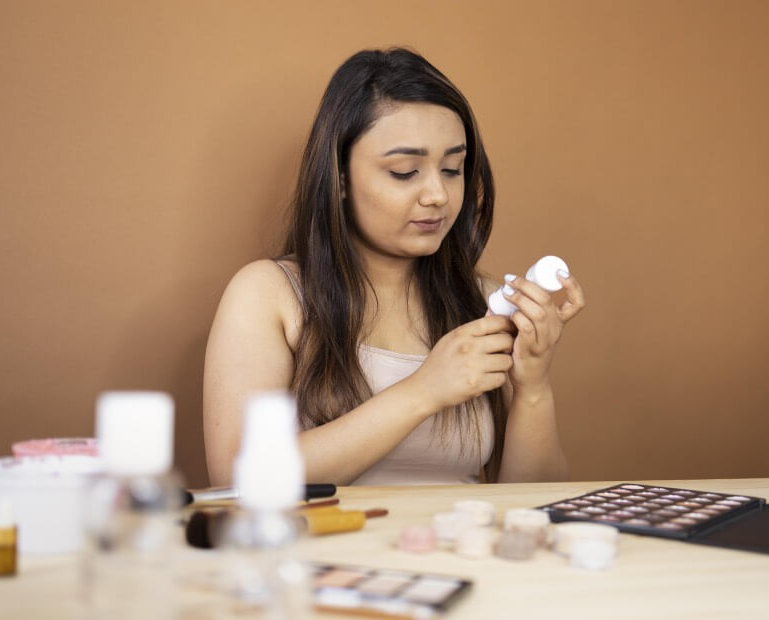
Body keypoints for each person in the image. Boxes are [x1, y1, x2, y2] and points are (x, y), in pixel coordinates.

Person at [203, 48, 585, 487]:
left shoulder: (482, 302)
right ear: (340, 178)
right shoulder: (269, 294)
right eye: (405, 171)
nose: (437, 195)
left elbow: (529, 502)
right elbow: (237, 478)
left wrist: (533, 387)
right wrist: (424, 391)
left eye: (452, 169)